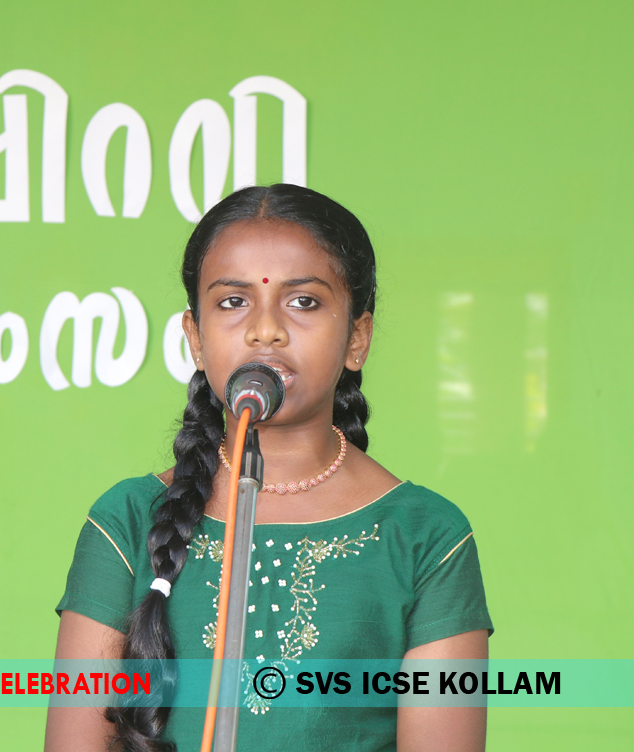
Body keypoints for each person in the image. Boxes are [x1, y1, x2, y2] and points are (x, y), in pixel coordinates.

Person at [45, 184, 492, 752]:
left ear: (357, 338)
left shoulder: (427, 537)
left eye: (303, 301)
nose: (265, 329)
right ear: (196, 339)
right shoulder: (126, 521)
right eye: (233, 302)